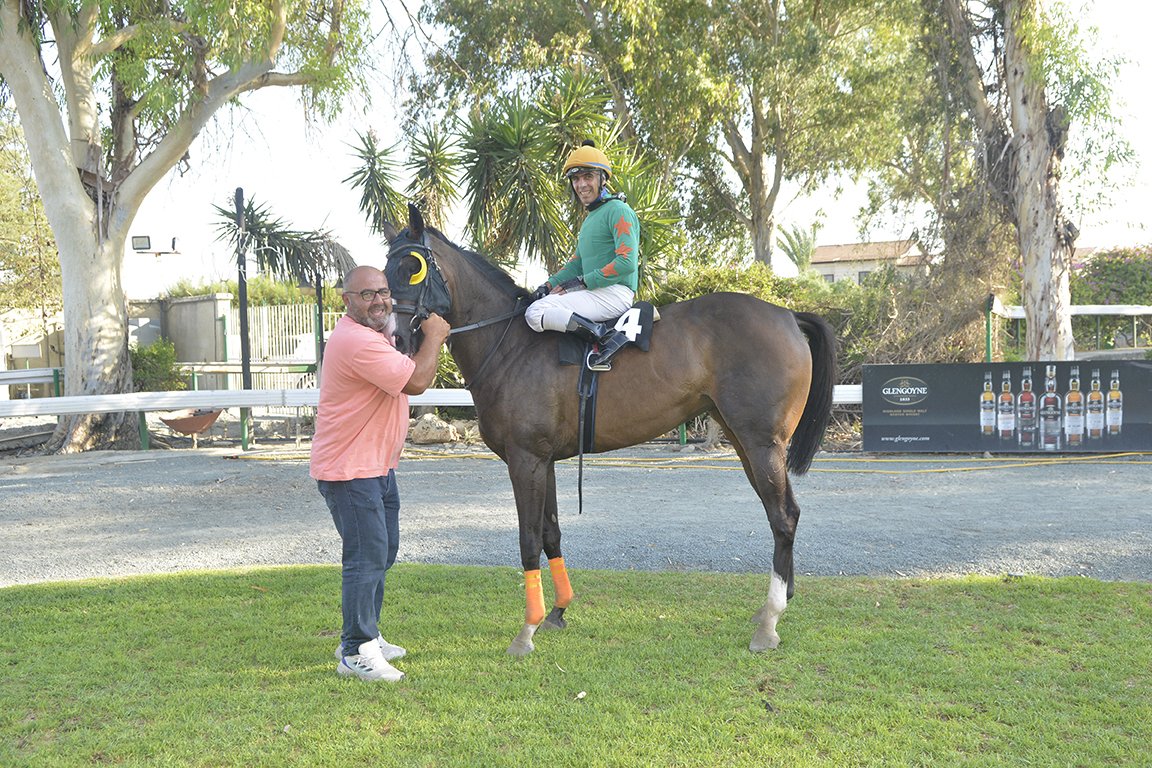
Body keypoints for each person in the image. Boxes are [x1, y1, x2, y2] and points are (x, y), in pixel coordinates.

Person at [310, 265, 450, 682]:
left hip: (375, 467)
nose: (379, 301)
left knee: (382, 553)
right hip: (350, 471)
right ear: (346, 300)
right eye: (367, 294)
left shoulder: (374, 335)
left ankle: (366, 633)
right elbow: (417, 381)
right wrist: (436, 336)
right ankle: (356, 651)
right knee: (366, 557)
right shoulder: (356, 341)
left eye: (384, 292)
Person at [525, 140, 641, 369]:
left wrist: (583, 282)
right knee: (540, 302)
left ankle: (604, 337)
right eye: (576, 179)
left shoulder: (619, 210)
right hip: (596, 291)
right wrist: (547, 286)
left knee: (536, 312)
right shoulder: (590, 219)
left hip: (614, 293)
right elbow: (576, 265)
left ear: (603, 179)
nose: (581, 184)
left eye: (588, 177)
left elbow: (627, 262)